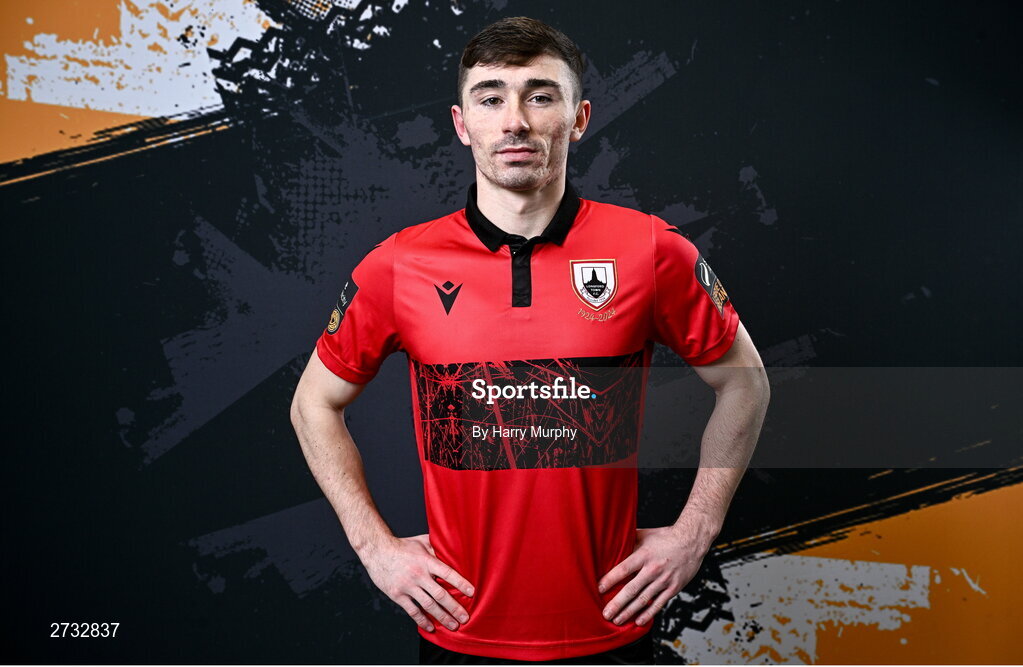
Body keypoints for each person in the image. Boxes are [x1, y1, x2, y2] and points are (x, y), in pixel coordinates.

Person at [290, 16, 770, 665]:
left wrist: (695, 531)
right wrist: (375, 546)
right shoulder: (400, 265)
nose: (513, 120)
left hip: (610, 627)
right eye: (490, 98)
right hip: (459, 629)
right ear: (462, 124)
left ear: (577, 118)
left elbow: (744, 380)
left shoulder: (649, 249)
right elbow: (311, 403)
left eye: (540, 95)